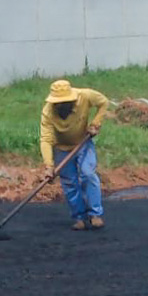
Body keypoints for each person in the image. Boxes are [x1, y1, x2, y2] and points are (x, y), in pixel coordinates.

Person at [39, 79, 107, 231]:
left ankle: (95, 214)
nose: (61, 106)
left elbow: (104, 103)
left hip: (83, 142)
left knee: (88, 174)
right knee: (69, 182)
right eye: (58, 104)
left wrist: (96, 123)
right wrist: (49, 166)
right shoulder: (48, 112)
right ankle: (79, 218)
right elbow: (46, 139)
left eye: (64, 103)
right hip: (62, 148)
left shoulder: (86, 96)